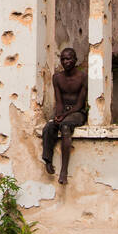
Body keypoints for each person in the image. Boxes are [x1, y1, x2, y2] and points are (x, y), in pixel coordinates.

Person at [41, 47, 87, 184]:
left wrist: (64, 116)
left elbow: (80, 104)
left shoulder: (82, 77)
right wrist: (58, 115)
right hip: (64, 112)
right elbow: (59, 101)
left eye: (69, 58)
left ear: (75, 60)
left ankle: (64, 171)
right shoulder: (57, 78)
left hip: (77, 113)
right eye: (63, 59)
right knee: (49, 127)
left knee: (65, 127)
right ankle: (48, 160)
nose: (66, 62)